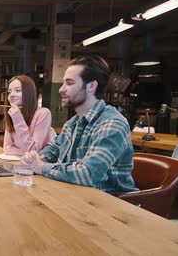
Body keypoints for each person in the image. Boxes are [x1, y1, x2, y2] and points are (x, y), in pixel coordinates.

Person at [21, 55, 136, 194]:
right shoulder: (72, 123)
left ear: (91, 86)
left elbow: (88, 174)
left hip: (110, 204)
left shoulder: (112, 124)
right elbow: (53, 150)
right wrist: (38, 159)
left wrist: (42, 168)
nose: (61, 89)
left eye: (69, 83)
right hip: (76, 195)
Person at [4, 75, 52, 155]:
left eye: (18, 90)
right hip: (18, 163)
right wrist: (25, 152)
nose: (11, 95)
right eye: (9, 92)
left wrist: (18, 121)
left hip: (36, 166)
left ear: (29, 93)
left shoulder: (43, 113)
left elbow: (33, 151)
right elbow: (7, 148)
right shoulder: (12, 114)